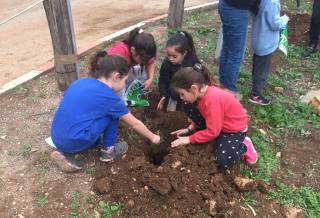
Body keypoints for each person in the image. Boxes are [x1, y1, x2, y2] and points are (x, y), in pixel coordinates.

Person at [50, 52, 160, 173]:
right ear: (116, 76)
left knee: (91, 118)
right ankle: (108, 152)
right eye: (125, 80)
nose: (124, 85)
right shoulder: (109, 97)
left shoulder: (81, 82)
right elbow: (135, 124)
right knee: (113, 115)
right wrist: (153, 137)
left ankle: (66, 153)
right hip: (75, 140)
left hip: (57, 136)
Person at [170, 66, 258, 168]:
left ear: (194, 88)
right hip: (218, 123)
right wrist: (190, 128)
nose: (181, 97)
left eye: (182, 94)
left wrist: (189, 139)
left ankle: (245, 146)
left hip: (233, 130)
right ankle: (205, 132)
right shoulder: (200, 94)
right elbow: (203, 113)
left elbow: (213, 132)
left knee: (223, 160)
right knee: (187, 105)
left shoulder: (211, 101)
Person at [249, 0, 289, 105]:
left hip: (258, 39)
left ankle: (255, 84)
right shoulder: (272, 3)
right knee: (262, 71)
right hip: (266, 42)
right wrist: (284, 19)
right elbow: (275, 24)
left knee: (257, 65)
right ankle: (256, 95)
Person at [218, 0, 261, 94]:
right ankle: (229, 91)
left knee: (227, 48)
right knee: (235, 55)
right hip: (237, 10)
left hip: (226, 5)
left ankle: (223, 85)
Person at [157, 31, 201, 111]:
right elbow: (163, 81)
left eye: (174, 56)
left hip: (189, 94)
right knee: (173, 113)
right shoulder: (167, 64)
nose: (171, 59)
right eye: (168, 55)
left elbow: (200, 79)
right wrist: (164, 95)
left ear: (184, 53)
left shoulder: (193, 61)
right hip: (173, 95)